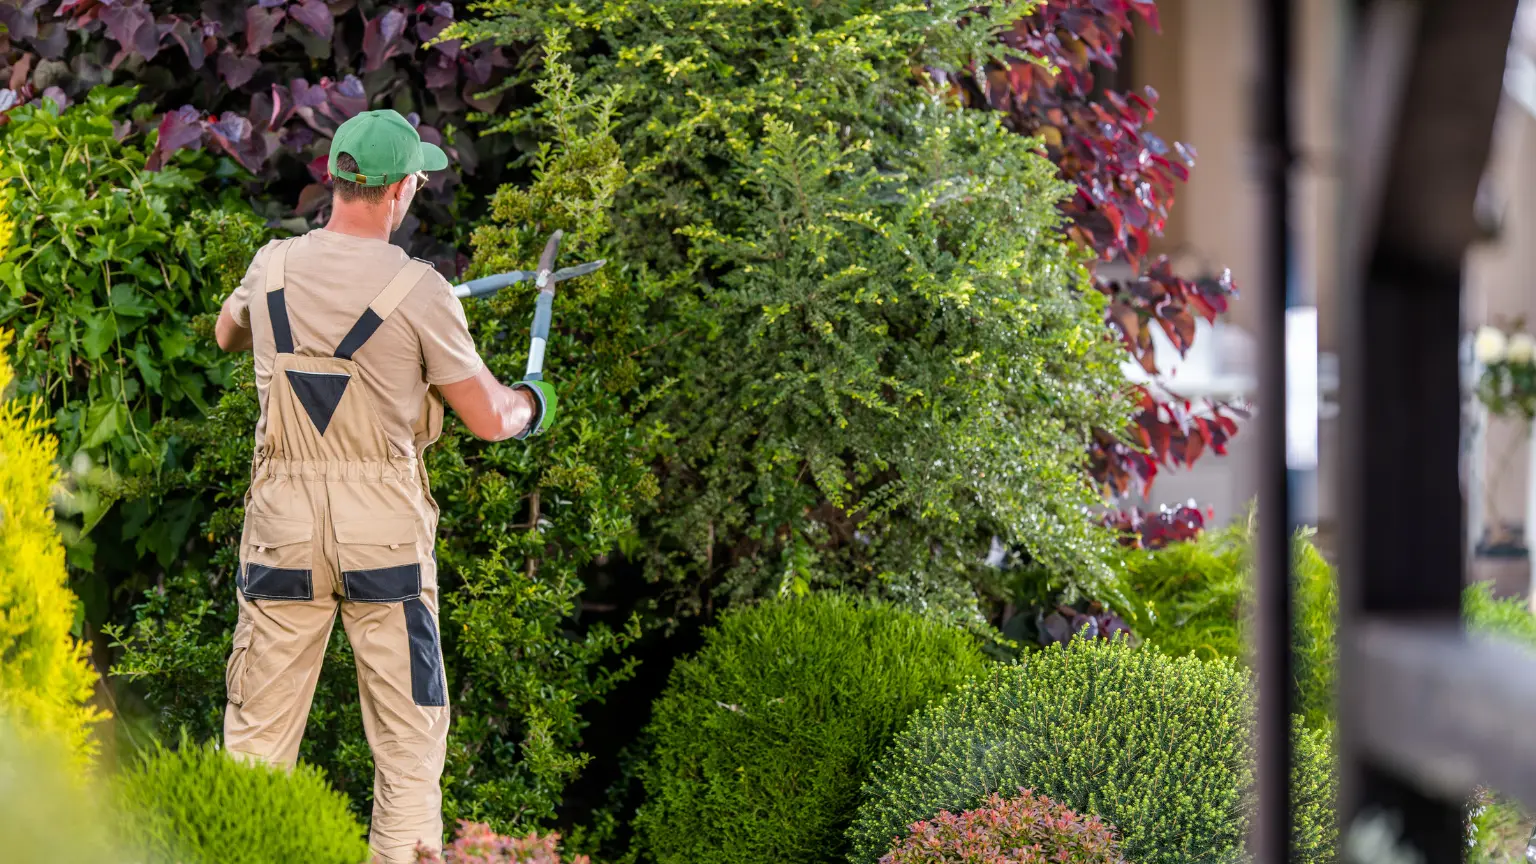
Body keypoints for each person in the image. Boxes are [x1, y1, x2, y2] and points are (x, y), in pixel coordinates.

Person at [212, 109, 555, 862]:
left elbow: (226, 335)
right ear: (401, 190)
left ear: (334, 180)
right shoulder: (420, 290)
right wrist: (535, 399)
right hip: (385, 543)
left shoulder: (270, 267)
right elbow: (492, 419)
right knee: (407, 749)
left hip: (283, 532)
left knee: (254, 744)